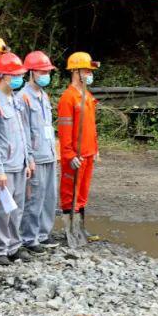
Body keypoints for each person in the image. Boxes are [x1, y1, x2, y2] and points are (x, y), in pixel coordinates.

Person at [0, 52, 33, 266]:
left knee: (17, 208)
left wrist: (28, 158)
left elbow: (24, 131)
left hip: (19, 164)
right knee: (1, 209)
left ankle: (14, 245)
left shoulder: (15, 99)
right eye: (15, 75)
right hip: (4, 166)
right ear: (3, 76)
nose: (19, 79)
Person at [18, 51, 58, 254]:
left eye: (47, 71)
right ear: (31, 72)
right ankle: (29, 237)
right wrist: (29, 157)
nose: (45, 75)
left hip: (49, 152)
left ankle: (43, 233)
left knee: (49, 196)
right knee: (34, 197)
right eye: (42, 71)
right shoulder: (23, 97)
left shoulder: (43, 95)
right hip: (35, 155)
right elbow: (23, 131)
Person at [58, 52, 99, 239]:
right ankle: (69, 228)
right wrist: (68, 154)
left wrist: (96, 149)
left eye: (90, 70)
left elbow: (91, 125)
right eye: (86, 70)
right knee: (70, 191)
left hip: (88, 153)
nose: (89, 74)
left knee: (83, 191)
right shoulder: (68, 98)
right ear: (75, 71)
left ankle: (80, 227)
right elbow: (65, 129)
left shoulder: (87, 95)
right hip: (74, 155)